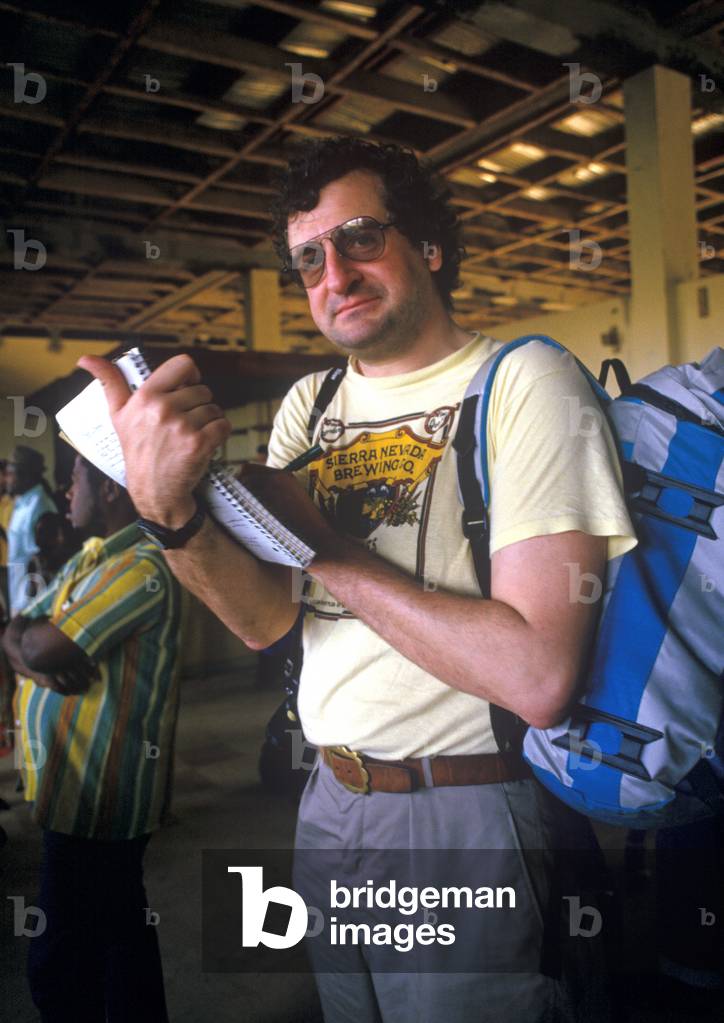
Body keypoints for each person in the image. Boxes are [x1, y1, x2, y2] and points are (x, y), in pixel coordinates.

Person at [78, 137, 637, 1022]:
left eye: (361, 238)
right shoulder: (313, 403)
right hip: (329, 801)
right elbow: (266, 618)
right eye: (309, 258)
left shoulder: (527, 381)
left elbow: (538, 677)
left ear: (431, 247)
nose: (333, 273)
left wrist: (326, 546)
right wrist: (168, 512)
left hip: (463, 807)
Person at [2, 454, 182, 1022]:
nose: (66, 490)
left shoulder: (142, 566)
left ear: (107, 488)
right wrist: (35, 664)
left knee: (61, 966)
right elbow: (16, 630)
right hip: (68, 789)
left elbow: (32, 643)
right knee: (120, 935)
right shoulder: (93, 556)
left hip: (98, 798)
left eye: (74, 478)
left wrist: (30, 655)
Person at [5, 445, 57, 615]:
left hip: (32, 606)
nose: (7, 480)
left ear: (24, 475)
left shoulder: (40, 507)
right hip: (18, 599)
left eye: (10, 474)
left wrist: (23, 608)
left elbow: (43, 563)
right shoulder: (23, 504)